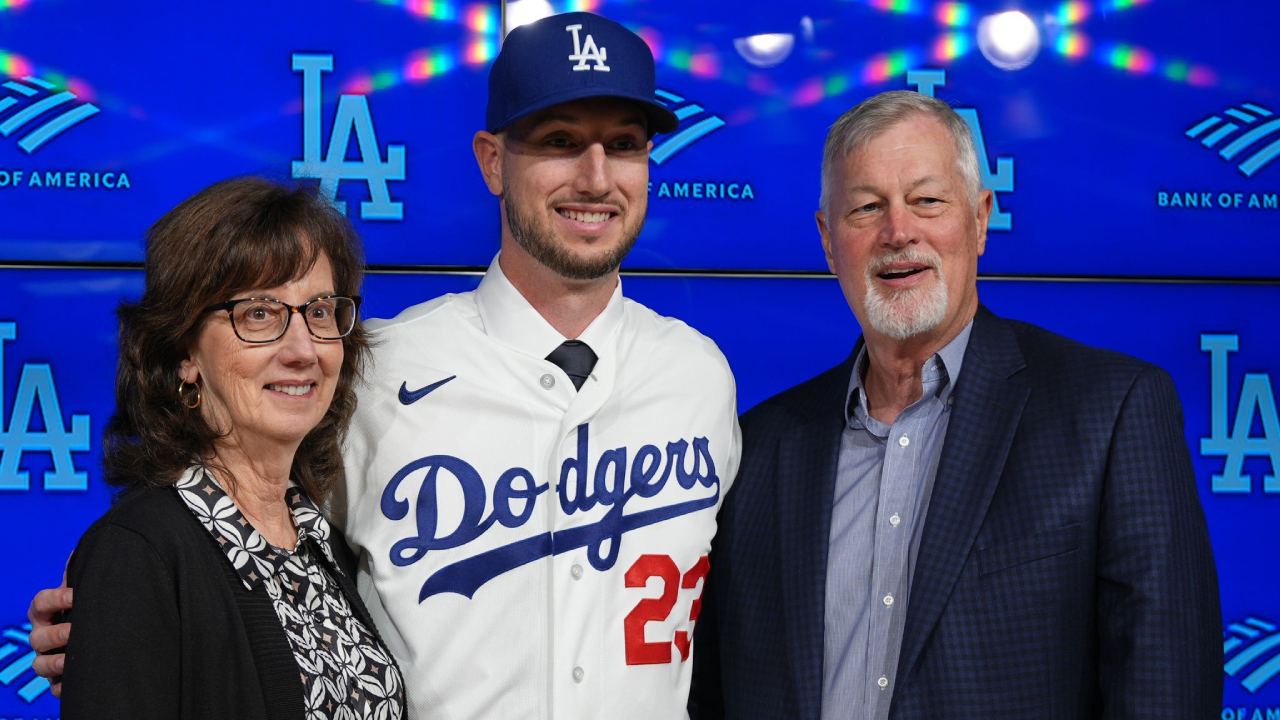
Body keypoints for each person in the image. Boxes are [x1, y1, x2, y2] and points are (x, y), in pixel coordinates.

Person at [33, 13, 740, 720]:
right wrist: (109, 621)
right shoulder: (370, 370)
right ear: (493, 161)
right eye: (558, 141)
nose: (595, 175)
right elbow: (211, 530)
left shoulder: (700, 379)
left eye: (623, 145)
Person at [687, 91, 1221, 720]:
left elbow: (1165, 688)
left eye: (927, 201)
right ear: (829, 242)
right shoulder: (757, 447)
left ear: (980, 219)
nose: (898, 231)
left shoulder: (1112, 411)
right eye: (866, 207)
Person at [54, 177, 405, 719]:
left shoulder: (322, 544)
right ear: (183, 352)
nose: (302, 350)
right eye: (259, 313)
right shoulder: (138, 553)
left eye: (318, 311)